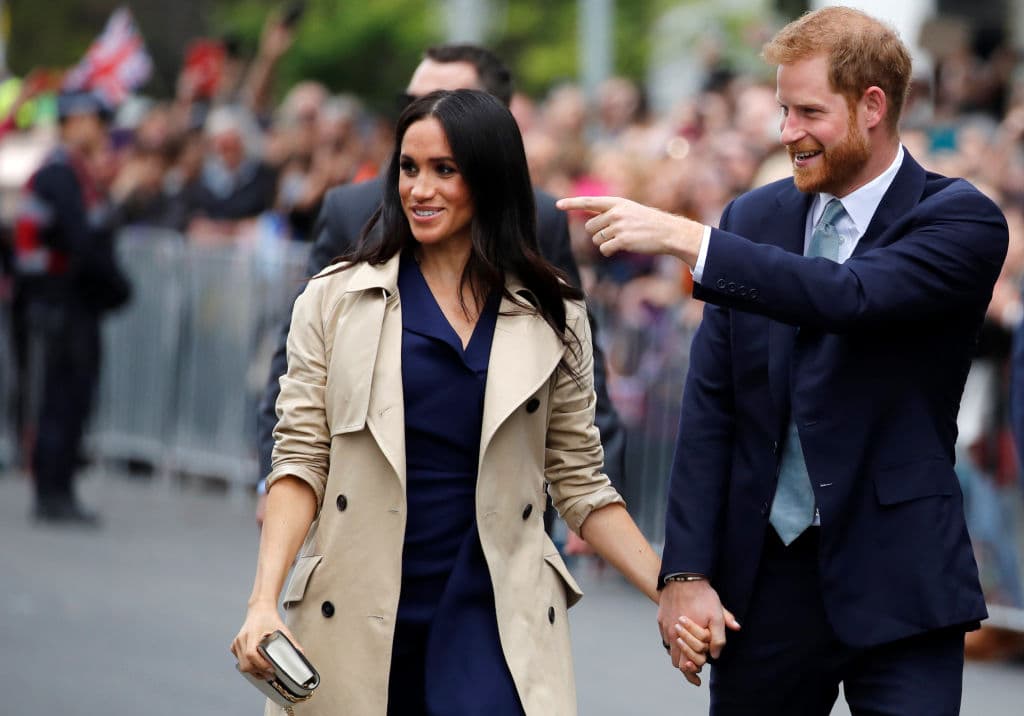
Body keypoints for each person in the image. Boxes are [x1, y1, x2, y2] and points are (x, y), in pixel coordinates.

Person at [559, 6, 1007, 714]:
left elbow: (849, 295)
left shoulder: (959, 219)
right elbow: (712, 409)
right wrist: (685, 571)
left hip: (900, 576)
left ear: (872, 107)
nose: (787, 132)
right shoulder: (754, 220)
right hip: (764, 582)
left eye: (807, 111)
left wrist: (690, 241)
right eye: (781, 109)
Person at [232, 89, 661, 715]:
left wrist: (669, 588)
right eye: (408, 168)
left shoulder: (552, 311)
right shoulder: (333, 300)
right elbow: (299, 461)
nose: (420, 189)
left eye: (444, 170)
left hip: (493, 611)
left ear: (487, 178)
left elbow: (581, 482)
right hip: (359, 604)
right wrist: (263, 601)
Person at [254, 43, 626, 524]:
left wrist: (597, 496)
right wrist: (275, 474)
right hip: (374, 510)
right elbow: (299, 361)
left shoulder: (539, 220)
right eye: (412, 100)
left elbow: (575, 360)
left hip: (510, 512)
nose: (421, 190)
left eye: (447, 99)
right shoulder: (349, 215)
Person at [13, 90, 131, 525]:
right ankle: (52, 492)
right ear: (71, 122)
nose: (100, 128)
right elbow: (81, 243)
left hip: (68, 303)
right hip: (60, 304)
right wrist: (117, 287)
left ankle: (57, 489)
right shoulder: (61, 175)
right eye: (93, 119)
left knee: (71, 398)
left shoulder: (74, 174)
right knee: (61, 399)